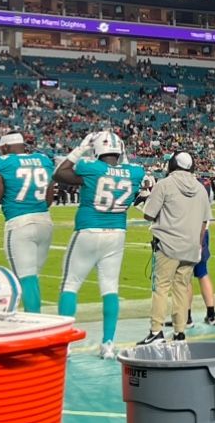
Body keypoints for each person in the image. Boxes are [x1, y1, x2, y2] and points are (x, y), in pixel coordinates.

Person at [53, 130, 146, 360]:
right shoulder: (136, 171)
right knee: (110, 287)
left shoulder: (91, 167)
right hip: (117, 233)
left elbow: (60, 173)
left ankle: (65, 344)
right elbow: (124, 169)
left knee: (70, 284)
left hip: (88, 229)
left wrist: (81, 147)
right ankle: (108, 344)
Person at [140, 151, 210, 345]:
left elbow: (148, 214)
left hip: (168, 245)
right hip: (191, 247)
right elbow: (204, 222)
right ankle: (180, 332)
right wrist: (198, 245)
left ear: (172, 164)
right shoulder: (200, 188)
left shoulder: (164, 185)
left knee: (161, 288)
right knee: (181, 289)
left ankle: (156, 331)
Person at [0, 132, 55, 313]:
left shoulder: (2, 163)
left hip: (19, 223)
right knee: (32, 277)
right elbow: (48, 200)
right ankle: (35, 317)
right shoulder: (43, 160)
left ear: (5, 147)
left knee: (26, 279)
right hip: (45, 221)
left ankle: (34, 321)